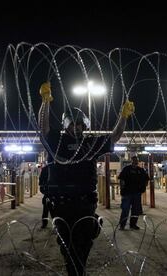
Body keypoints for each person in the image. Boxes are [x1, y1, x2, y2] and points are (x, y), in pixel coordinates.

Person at [38, 81, 134, 276]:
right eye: (73, 124)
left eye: (80, 124)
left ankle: (77, 270)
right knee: (65, 243)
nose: (76, 127)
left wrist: (123, 116)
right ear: (67, 125)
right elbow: (43, 128)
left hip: (84, 203)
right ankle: (74, 270)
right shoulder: (57, 141)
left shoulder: (90, 143)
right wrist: (45, 102)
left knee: (84, 241)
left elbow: (114, 137)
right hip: (61, 203)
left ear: (85, 125)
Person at [118, 156, 149, 230]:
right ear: (131, 161)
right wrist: (122, 190)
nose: (135, 162)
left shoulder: (141, 170)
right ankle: (122, 225)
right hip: (127, 193)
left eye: (137, 160)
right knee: (125, 210)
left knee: (135, 210)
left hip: (137, 194)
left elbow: (146, 179)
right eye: (134, 160)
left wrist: (143, 187)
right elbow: (121, 179)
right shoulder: (126, 169)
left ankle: (133, 225)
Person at [39, 164, 49, 228]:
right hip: (51, 191)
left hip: (48, 191)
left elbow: (41, 180)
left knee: (45, 209)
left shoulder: (45, 168)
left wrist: (43, 189)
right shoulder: (59, 167)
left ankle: (44, 223)